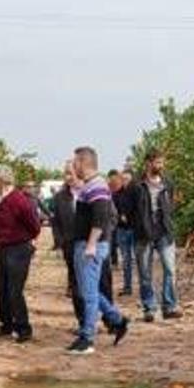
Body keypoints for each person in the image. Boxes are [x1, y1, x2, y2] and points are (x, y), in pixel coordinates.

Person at [67, 146, 129, 355]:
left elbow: (101, 217)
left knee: (90, 295)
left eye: (75, 161)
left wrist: (92, 244)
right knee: (89, 292)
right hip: (83, 244)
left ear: (84, 162)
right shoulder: (89, 185)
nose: (73, 165)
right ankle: (118, 320)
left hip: (89, 246)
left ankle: (87, 338)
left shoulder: (98, 186)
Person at [51, 161, 112, 316]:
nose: (68, 177)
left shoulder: (95, 189)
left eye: (70, 173)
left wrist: (102, 236)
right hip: (72, 247)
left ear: (78, 171)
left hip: (96, 245)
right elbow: (56, 222)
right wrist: (60, 243)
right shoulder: (60, 197)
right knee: (78, 287)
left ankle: (110, 319)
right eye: (65, 174)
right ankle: (83, 320)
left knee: (102, 284)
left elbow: (110, 216)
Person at [127, 149, 182, 323]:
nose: (161, 165)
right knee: (145, 274)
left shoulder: (168, 183)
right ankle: (149, 307)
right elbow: (128, 210)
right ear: (148, 163)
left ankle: (169, 306)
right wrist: (138, 225)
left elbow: (170, 204)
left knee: (170, 269)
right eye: (158, 162)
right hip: (143, 234)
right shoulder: (136, 185)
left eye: (162, 162)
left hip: (164, 232)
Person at [0, 165, 41, 343]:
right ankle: (6, 324)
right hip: (2, 247)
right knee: (2, 288)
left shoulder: (18, 199)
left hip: (18, 248)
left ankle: (23, 328)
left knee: (14, 290)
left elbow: (34, 225)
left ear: (3, 181)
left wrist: (25, 239)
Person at [113, 169, 135, 297]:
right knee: (126, 260)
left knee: (137, 259)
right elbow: (113, 211)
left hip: (134, 229)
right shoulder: (116, 195)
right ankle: (127, 287)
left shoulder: (137, 193)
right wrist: (119, 216)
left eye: (128, 179)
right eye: (124, 179)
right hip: (122, 230)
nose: (126, 182)